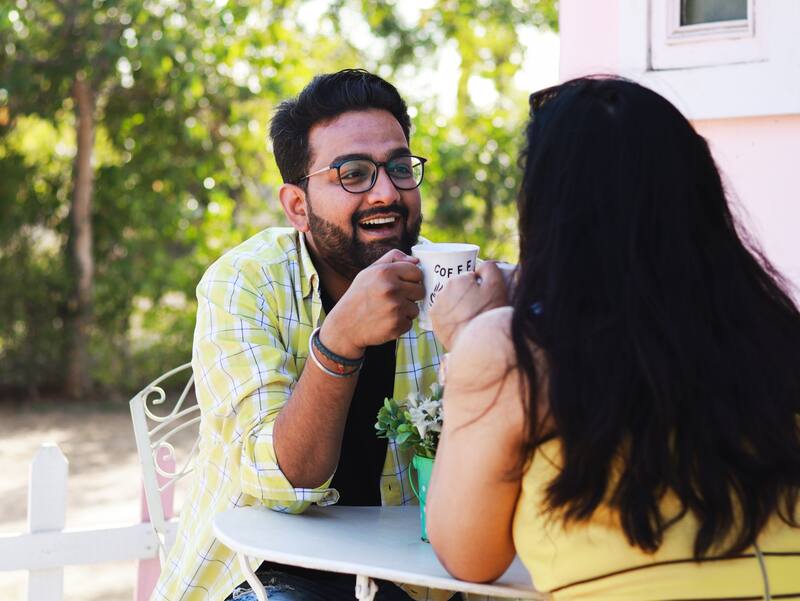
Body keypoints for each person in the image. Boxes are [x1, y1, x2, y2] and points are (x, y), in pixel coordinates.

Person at [426, 76, 800, 600]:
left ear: (546, 210)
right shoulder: (776, 334)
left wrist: (467, 339)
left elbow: (468, 556)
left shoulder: (516, 353)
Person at [154, 69, 490, 601]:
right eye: (353, 173)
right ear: (297, 206)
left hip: (414, 578)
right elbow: (283, 483)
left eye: (399, 167)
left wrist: (503, 331)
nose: (387, 191)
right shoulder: (246, 282)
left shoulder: (448, 277)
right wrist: (339, 342)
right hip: (265, 576)